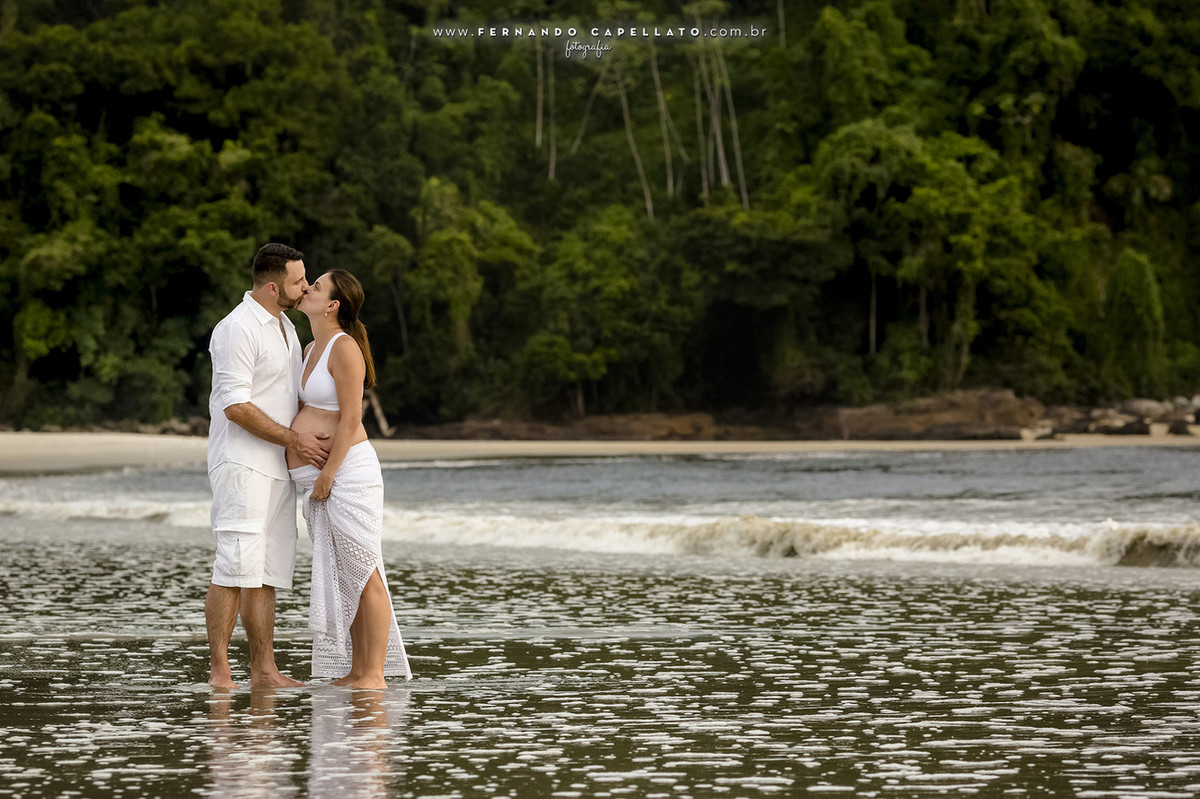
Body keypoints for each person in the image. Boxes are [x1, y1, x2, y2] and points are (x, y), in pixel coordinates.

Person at [205, 242, 330, 689]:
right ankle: (220, 669)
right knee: (235, 567)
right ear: (275, 286)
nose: (306, 287)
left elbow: (289, 397)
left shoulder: (286, 328)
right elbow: (234, 406)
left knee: (267, 572)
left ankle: (263, 669)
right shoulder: (237, 329)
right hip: (241, 464)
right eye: (299, 281)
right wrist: (294, 437)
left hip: (278, 467)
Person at [287, 269, 412, 689]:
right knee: (346, 573)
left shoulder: (345, 349)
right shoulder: (309, 348)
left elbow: (352, 417)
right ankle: (357, 670)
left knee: (366, 569)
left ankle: (373, 674)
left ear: (333, 305)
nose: (307, 289)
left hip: (348, 472)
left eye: (316, 287)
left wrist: (329, 475)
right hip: (322, 476)